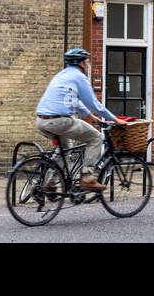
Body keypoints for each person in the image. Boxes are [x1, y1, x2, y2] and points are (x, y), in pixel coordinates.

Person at [35, 48, 124, 192]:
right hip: (59, 121)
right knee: (96, 137)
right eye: (87, 61)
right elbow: (94, 104)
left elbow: (74, 100)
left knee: (65, 148)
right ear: (81, 63)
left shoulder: (62, 75)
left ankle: (50, 182)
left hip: (41, 121)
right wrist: (115, 119)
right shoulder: (79, 77)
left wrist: (89, 116)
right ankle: (87, 177)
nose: (88, 64)